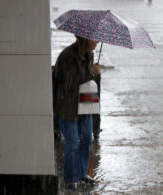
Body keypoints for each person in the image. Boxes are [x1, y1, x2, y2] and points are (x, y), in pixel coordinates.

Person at [53, 35, 101, 191]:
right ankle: (70, 179)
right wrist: (91, 72)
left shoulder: (89, 54)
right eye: (94, 39)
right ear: (85, 39)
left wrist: (92, 71)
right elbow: (70, 83)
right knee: (73, 144)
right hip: (67, 106)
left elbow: (84, 78)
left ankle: (81, 174)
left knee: (87, 139)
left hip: (84, 103)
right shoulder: (68, 56)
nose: (97, 41)